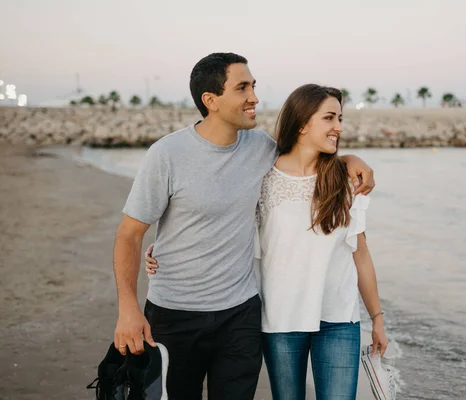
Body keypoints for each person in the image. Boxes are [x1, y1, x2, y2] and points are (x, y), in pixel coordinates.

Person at [113, 53, 375, 400]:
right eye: (242, 88)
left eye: (253, 86)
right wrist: (128, 308)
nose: (254, 97)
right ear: (211, 101)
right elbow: (129, 234)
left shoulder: (261, 148)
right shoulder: (167, 154)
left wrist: (348, 161)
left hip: (241, 315)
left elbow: (303, 160)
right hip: (174, 314)